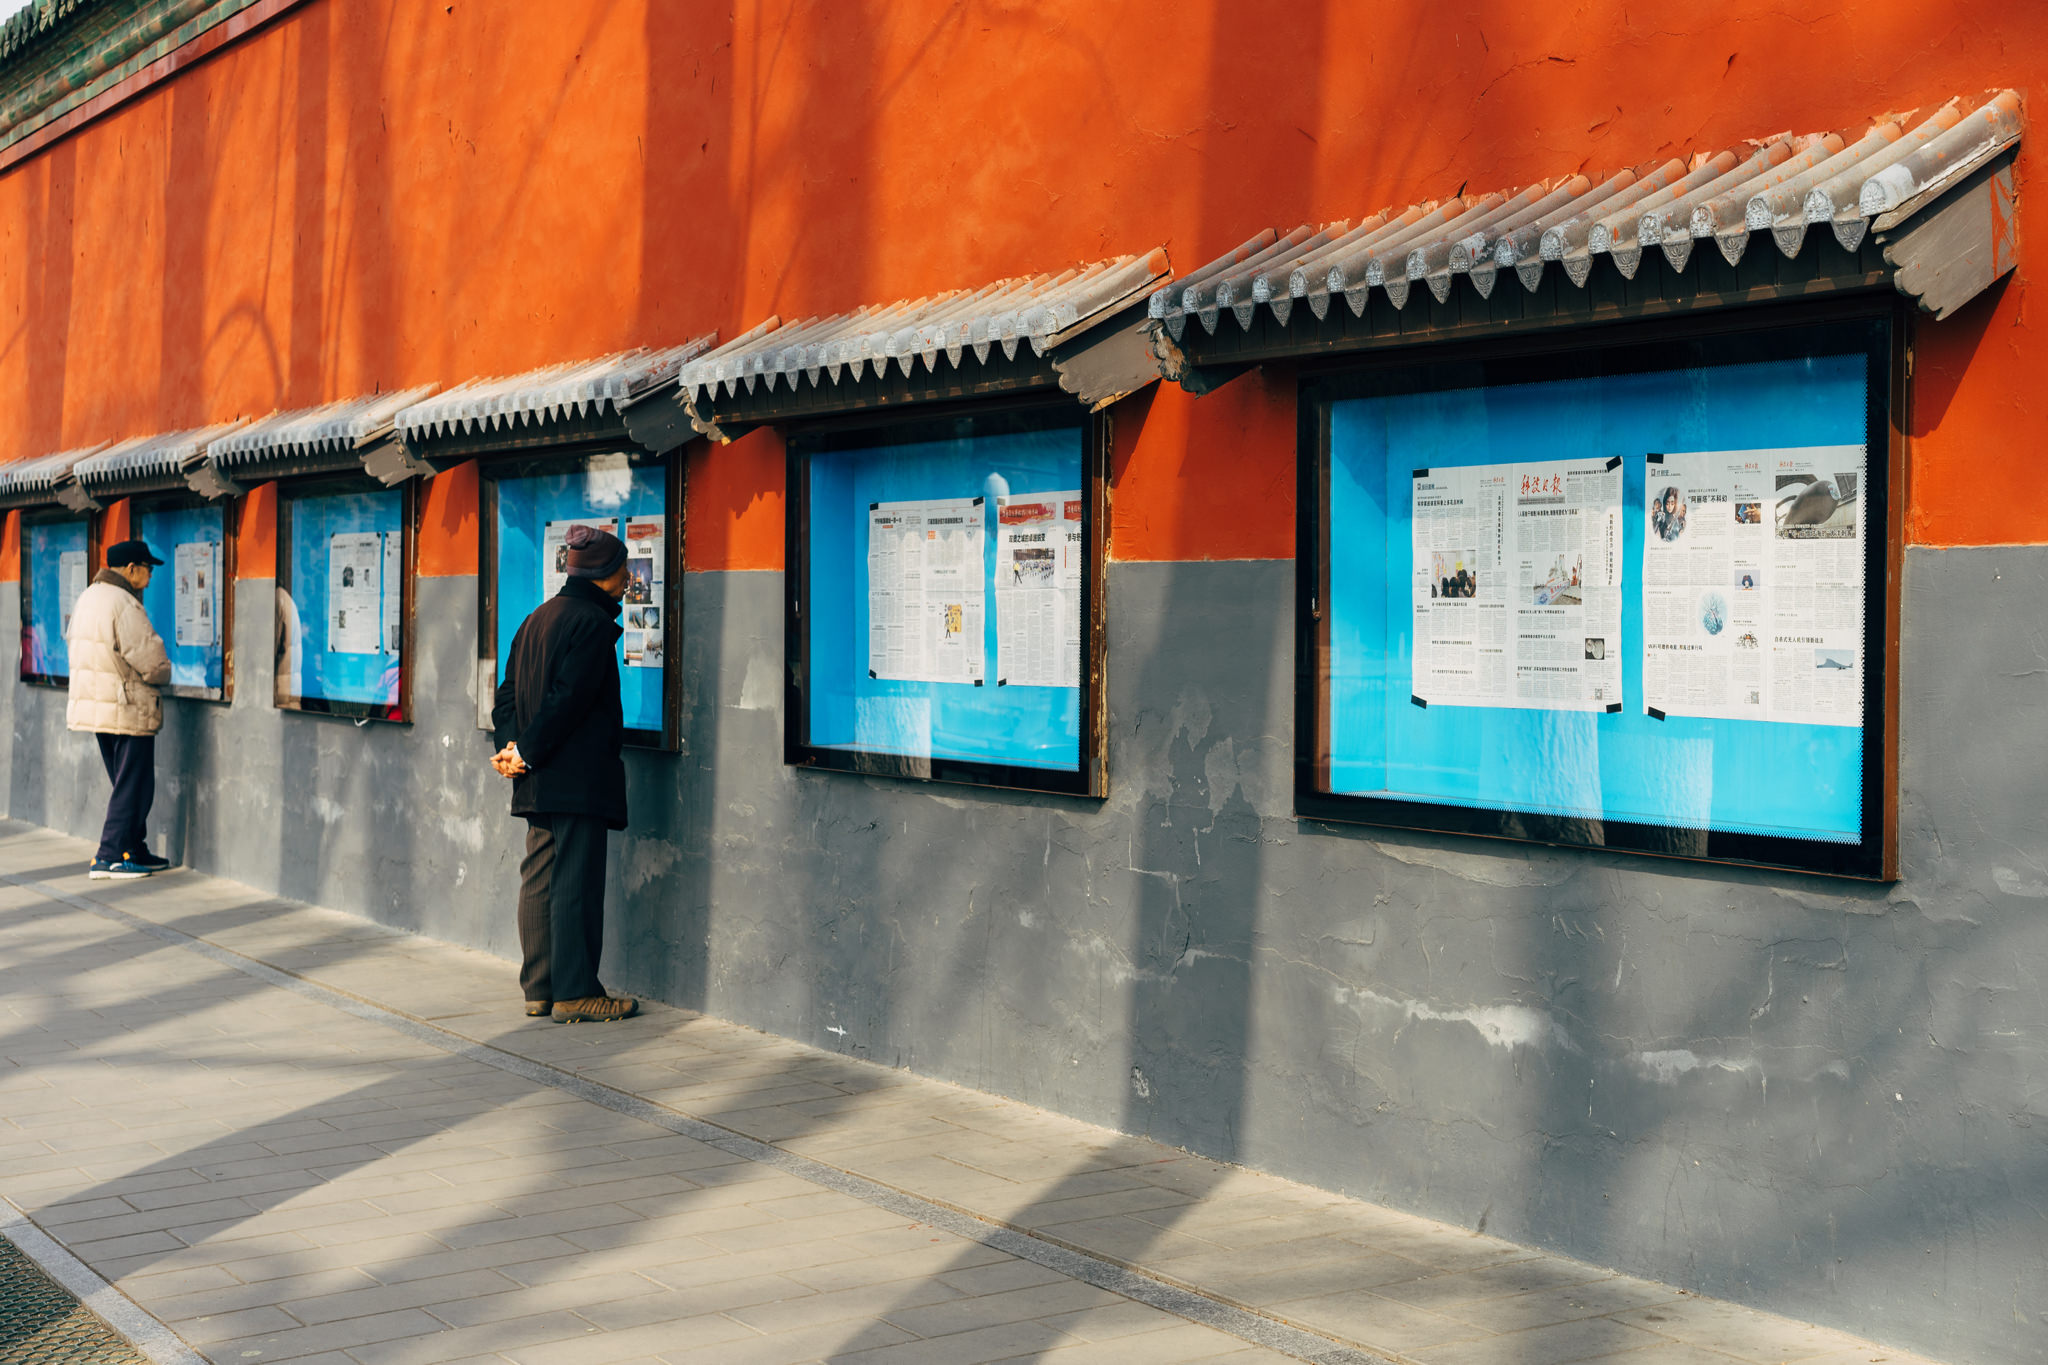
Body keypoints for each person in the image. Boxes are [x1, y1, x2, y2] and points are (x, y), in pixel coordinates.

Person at [490, 524, 640, 1024]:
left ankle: (540, 989)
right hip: (576, 776)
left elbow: (507, 695)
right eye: (623, 568)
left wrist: (512, 749)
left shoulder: (537, 618)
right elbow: (570, 699)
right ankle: (576, 992)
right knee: (575, 881)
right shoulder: (592, 625)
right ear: (604, 573)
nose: (627, 578)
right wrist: (527, 751)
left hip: (538, 774)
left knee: (539, 877)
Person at [66, 540, 172, 880]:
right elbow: (149, 659)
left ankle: (132, 848)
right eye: (148, 568)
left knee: (125, 782)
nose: (151, 576)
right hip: (127, 707)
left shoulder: (89, 597)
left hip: (101, 706)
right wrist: (166, 672)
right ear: (130, 569)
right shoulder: (123, 603)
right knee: (133, 785)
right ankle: (109, 855)